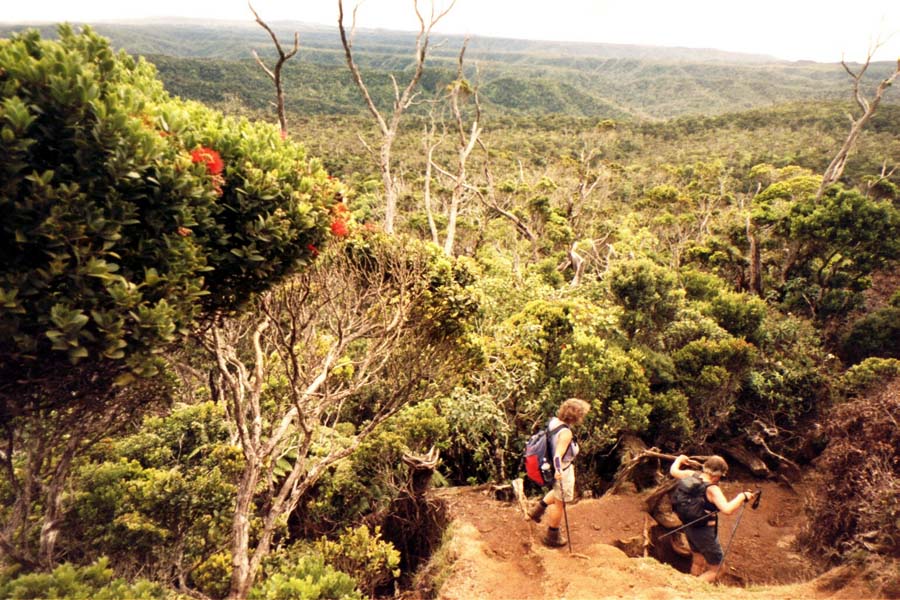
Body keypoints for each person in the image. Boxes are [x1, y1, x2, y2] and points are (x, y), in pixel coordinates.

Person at [669, 454, 757, 582]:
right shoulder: (712, 489)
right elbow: (727, 509)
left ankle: (691, 584)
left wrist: (680, 459)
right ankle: (689, 589)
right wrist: (742, 497)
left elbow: (673, 471)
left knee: (698, 562)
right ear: (717, 475)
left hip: (689, 527)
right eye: (721, 475)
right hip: (705, 532)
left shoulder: (691, 474)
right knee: (718, 570)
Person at [527, 398, 591, 547]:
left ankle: (537, 511)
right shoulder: (566, 433)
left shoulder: (554, 422)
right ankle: (552, 536)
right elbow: (557, 455)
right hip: (563, 470)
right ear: (576, 416)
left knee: (557, 494)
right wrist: (559, 471)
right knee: (560, 504)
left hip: (553, 467)